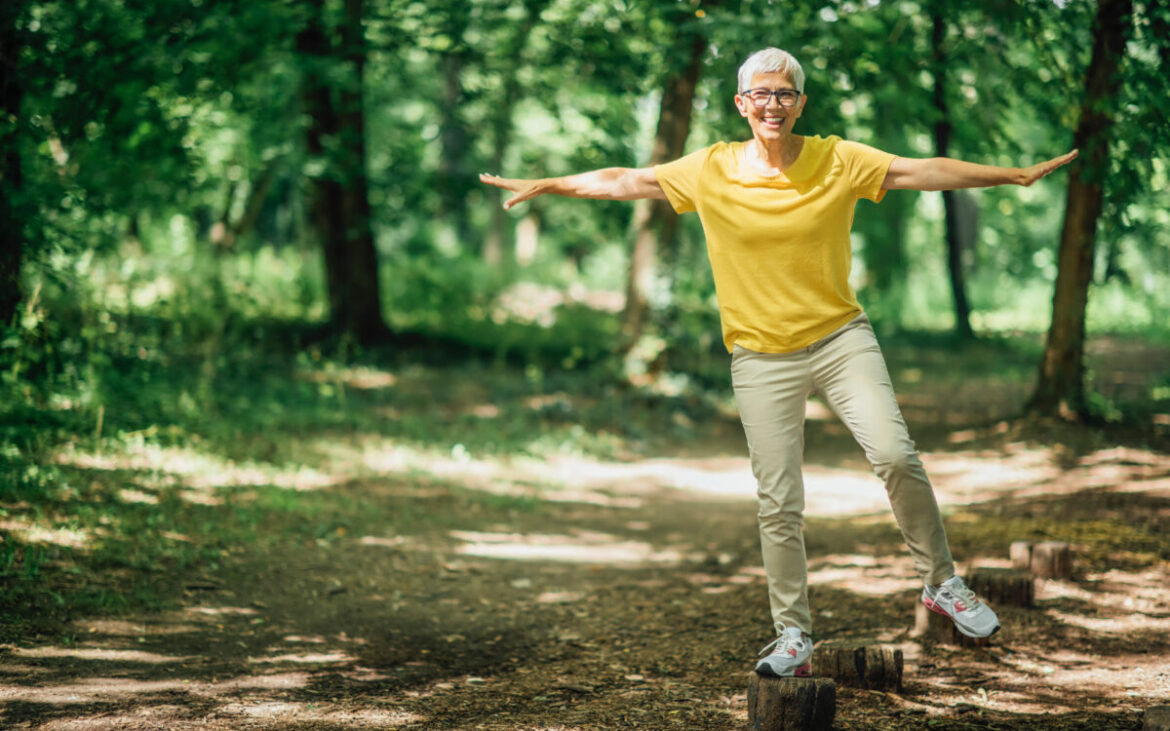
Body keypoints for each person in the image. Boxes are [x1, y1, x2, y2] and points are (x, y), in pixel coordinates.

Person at [480, 47, 1077, 678]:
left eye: (784, 94)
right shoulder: (710, 168)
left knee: (897, 456)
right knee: (779, 500)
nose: (773, 104)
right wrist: (548, 184)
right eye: (760, 94)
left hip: (840, 338)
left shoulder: (838, 158)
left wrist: (1009, 175)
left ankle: (940, 583)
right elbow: (629, 179)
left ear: (800, 103)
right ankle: (793, 631)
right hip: (761, 355)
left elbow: (920, 170)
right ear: (742, 104)